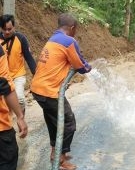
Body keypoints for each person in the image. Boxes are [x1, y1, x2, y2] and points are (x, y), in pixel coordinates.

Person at [30, 13, 92, 170]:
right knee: (69, 122)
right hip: (49, 91)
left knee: (54, 122)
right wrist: (88, 67)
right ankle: (61, 159)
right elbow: (80, 66)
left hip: (38, 89)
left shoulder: (52, 39)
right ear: (72, 28)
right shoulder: (69, 41)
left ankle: (55, 153)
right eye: (75, 29)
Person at [0, 14, 36, 115]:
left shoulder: (21, 38)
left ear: (14, 27)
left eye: (9, 29)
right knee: (5, 104)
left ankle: (21, 118)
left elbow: (29, 58)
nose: (7, 32)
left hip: (18, 75)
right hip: (3, 77)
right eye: (4, 29)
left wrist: (36, 75)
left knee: (19, 98)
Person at [0, 42, 28, 170]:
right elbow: (5, 85)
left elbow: (28, 57)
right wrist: (20, 117)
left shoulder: (19, 39)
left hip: (18, 75)